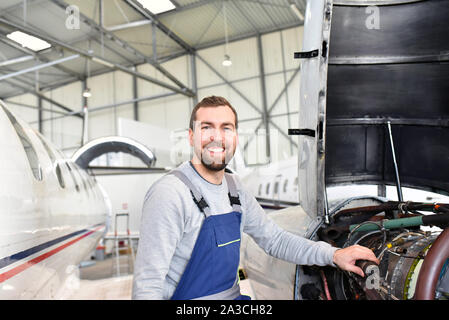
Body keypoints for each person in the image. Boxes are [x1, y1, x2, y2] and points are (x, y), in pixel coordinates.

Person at [132, 95, 379, 300]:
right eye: (206, 127)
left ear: (235, 137)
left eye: (225, 128)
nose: (217, 137)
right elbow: (148, 285)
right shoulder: (169, 193)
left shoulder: (234, 188)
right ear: (191, 136)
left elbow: (275, 240)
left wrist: (333, 255)